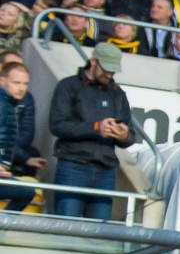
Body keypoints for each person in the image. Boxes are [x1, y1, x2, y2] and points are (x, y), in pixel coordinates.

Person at [48, 45, 133, 220]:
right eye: (107, 69)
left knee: (99, 233)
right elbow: (57, 125)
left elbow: (129, 135)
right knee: (66, 226)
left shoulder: (118, 94)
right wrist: (95, 127)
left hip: (105, 168)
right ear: (93, 62)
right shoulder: (68, 86)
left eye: (113, 71)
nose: (110, 74)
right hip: (73, 165)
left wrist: (124, 136)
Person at [1, 55, 44, 211]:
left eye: (25, 83)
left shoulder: (10, 104)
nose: (22, 88)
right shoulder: (3, 105)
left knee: (25, 193)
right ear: (2, 81)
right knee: (25, 193)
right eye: (16, 83)